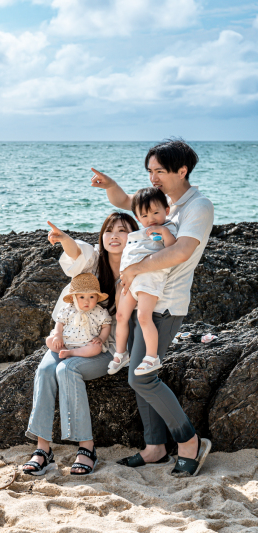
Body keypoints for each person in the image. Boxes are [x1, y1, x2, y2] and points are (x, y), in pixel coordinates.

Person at [91, 138, 214, 476]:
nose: (153, 178)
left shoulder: (197, 207)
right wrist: (110, 185)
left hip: (166, 305)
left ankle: (188, 441)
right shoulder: (165, 205)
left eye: (159, 171)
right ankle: (155, 447)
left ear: (182, 170)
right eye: (149, 171)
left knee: (142, 378)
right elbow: (127, 201)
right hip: (143, 298)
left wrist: (132, 270)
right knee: (140, 372)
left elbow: (180, 251)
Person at [22, 212, 137, 477]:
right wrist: (64, 239)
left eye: (123, 230)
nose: (115, 236)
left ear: (134, 236)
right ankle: (43, 450)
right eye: (109, 230)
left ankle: (86, 448)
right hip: (70, 337)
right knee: (45, 370)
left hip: (107, 346)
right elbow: (77, 253)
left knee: (67, 369)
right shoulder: (94, 261)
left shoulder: (139, 267)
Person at [108, 187, 178, 376]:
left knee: (143, 317)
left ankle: (151, 357)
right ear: (138, 218)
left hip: (150, 279)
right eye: (145, 215)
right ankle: (121, 353)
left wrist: (164, 232)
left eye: (156, 212)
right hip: (131, 281)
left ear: (167, 210)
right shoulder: (141, 232)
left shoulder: (169, 228)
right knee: (121, 316)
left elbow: (174, 250)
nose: (151, 218)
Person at [48, 273, 112, 360]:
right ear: (72, 298)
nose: (86, 301)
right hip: (66, 341)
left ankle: (71, 353)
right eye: (81, 297)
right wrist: (58, 335)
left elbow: (106, 326)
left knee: (97, 348)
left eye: (91, 297)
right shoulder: (68, 309)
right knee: (49, 340)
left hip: (87, 344)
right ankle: (64, 350)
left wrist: (101, 338)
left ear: (97, 298)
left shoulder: (99, 312)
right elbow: (60, 323)